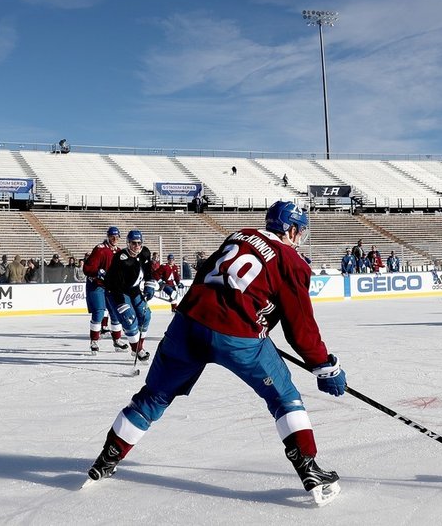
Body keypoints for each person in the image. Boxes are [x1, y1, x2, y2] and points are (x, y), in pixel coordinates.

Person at [85, 201, 346, 506]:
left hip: (188, 323)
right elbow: (300, 325)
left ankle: (107, 458)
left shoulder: (240, 234)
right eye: (300, 231)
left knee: (154, 396)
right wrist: (324, 367)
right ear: (291, 229)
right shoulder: (291, 260)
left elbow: (206, 274)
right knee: (284, 396)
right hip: (239, 337)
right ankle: (308, 468)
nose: (300, 237)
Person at [104, 230, 155, 361]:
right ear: (128, 243)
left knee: (145, 316)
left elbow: (148, 271)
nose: (136, 246)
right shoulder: (121, 258)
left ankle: (139, 347)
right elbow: (115, 284)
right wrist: (121, 302)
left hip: (134, 290)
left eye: (139, 243)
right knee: (129, 318)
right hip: (118, 291)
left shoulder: (145, 253)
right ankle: (137, 350)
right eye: (133, 243)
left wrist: (149, 286)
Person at [82, 226, 128, 353]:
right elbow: (87, 269)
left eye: (117, 236)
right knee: (99, 312)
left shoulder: (119, 252)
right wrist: (98, 272)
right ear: (108, 236)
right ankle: (94, 341)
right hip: (97, 285)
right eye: (112, 236)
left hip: (110, 287)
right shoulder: (100, 249)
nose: (114, 238)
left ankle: (117, 340)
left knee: (115, 313)